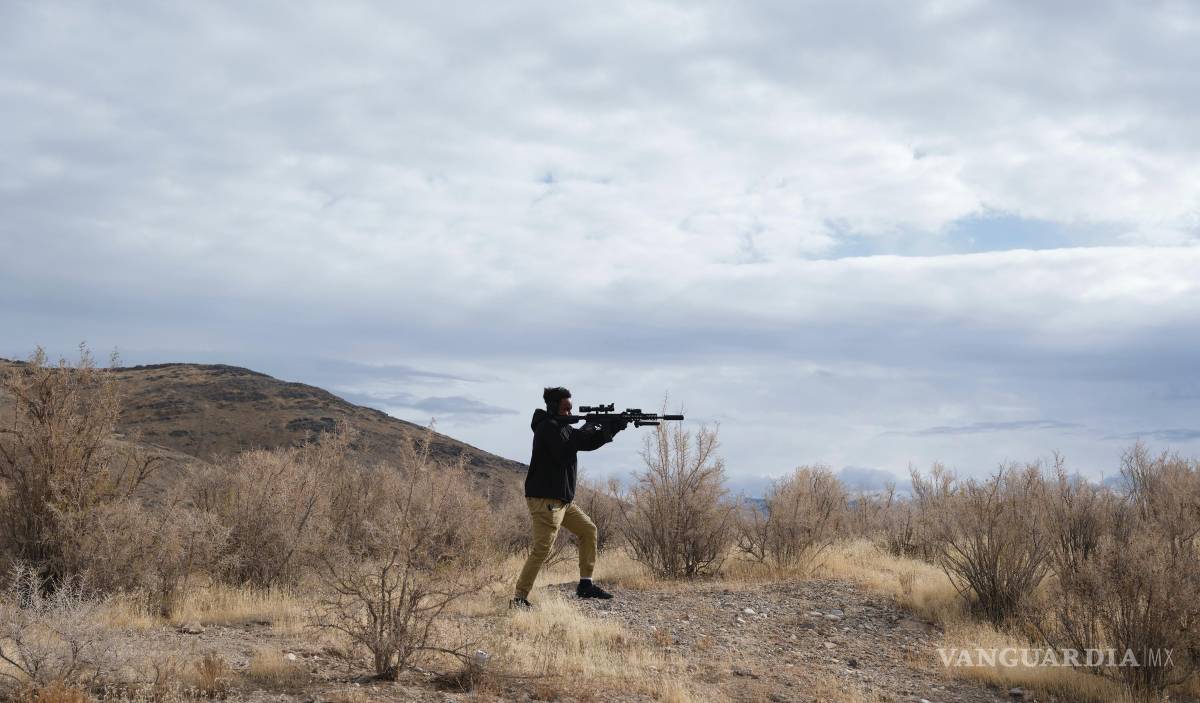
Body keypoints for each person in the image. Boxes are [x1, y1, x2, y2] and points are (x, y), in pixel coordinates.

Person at [511, 386, 627, 609]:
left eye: (570, 409)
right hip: (546, 501)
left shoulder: (562, 428)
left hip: (561, 501)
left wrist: (611, 430)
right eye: (565, 409)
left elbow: (586, 443)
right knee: (542, 549)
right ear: (554, 407)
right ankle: (519, 598)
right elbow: (565, 453)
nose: (568, 413)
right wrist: (588, 426)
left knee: (588, 530)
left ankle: (585, 585)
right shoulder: (548, 427)